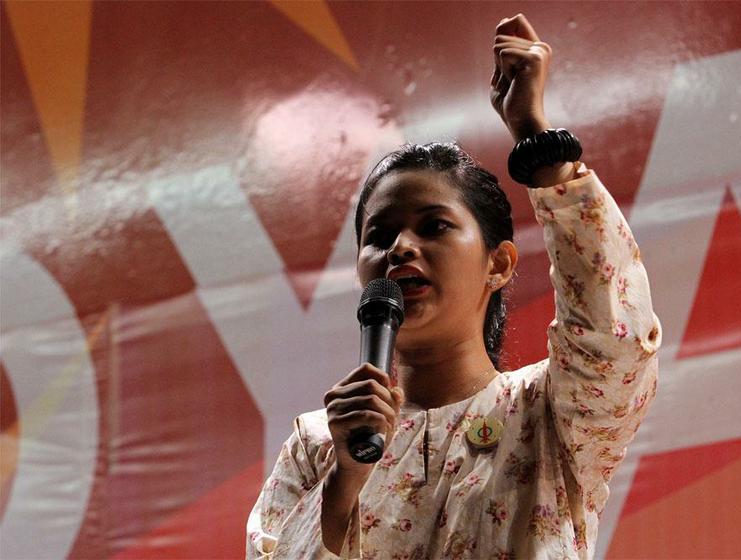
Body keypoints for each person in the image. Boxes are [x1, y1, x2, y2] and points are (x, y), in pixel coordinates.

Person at [246, 14, 661, 560]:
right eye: (380, 235)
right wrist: (344, 481)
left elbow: (617, 339)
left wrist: (540, 146)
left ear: (500, 264)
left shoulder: (548, 413)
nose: (399, 248)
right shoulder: (319, 444)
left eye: (433, 225)